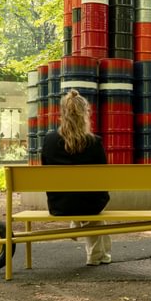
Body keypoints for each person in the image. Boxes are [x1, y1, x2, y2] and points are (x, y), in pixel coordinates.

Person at [41, 89, 113, 264]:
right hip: (90, 204)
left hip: (60, 204)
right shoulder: (94, 142)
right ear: (85, 115)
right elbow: (104, 176)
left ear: (63, 114)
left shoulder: (49, 141)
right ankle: (96, 255)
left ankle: (78, 223)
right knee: (92, 207)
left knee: (79, 198)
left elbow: (45, 170)